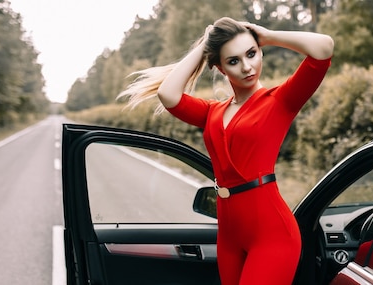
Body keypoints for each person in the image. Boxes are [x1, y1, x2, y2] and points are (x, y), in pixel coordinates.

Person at [120, 16, 333, 285]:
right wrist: (205, 44)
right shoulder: (212, 111)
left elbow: (324, 48)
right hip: (229, 235)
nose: (247, 67)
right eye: (233, 61)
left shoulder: (280, 101)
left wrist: (268, 35)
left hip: (272, 234)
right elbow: (169, 94)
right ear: (220, 67)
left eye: (252, 54)